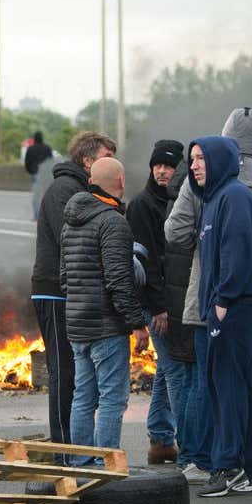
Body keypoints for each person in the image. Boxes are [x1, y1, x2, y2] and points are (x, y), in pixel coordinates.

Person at [166, 108, 252, 486]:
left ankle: (212, 460)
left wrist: (205, 246)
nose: (196, 164)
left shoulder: (206, 186)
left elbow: (174, 232)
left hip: (219, 298)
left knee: (217, 384)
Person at [187, 136, 252, 497]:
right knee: (239, 389)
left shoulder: (233, 197)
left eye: (201, 158)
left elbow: (238, 251)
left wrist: (223, 299)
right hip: (230, 306)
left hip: (235, 307)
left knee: (227, 387)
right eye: (192, 160)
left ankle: (228, 466)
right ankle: (246, 469)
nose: (194, 165)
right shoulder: (214, 199)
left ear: (220, 160)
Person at [60, 157, 150, 462]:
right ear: (121, 182)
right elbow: (118, 279)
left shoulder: (70, 222)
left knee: (83, 397)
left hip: (77, 326)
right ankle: (104, 463)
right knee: (112, 399)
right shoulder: (113, 222)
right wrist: (137, 323)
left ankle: (81, 462)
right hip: (107, 327)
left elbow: (64, 278)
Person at [32, 132, 117, 449]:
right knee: (62, 370)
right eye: (107, 156)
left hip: (71, 291)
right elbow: (74, 242)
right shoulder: (64, 191)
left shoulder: (80, 189)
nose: (113, 162)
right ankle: (63, 446)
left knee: (76, 372)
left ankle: (75, 442)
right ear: (87, 160)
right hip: (54, 291)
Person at [127, 139, 189, 464]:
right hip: (158, 305)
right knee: (177, 369)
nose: (163, 171)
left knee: (167, 369)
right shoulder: (142, 205)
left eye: (169, 166)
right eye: (158, 165)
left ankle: (161, 439)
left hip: (175, 299)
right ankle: (187, 446)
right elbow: (144, 261)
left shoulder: (179, 199)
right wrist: (158, 306)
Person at [25, 131, 55, 220]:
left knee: (36, 195)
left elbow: (27, 162)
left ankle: (37, 216)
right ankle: (48, 215)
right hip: (46, 174)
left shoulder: (30, 149)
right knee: (47, 195)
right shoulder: (47, 148)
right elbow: (51, 161)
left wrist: (30, 171)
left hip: (35, 173)